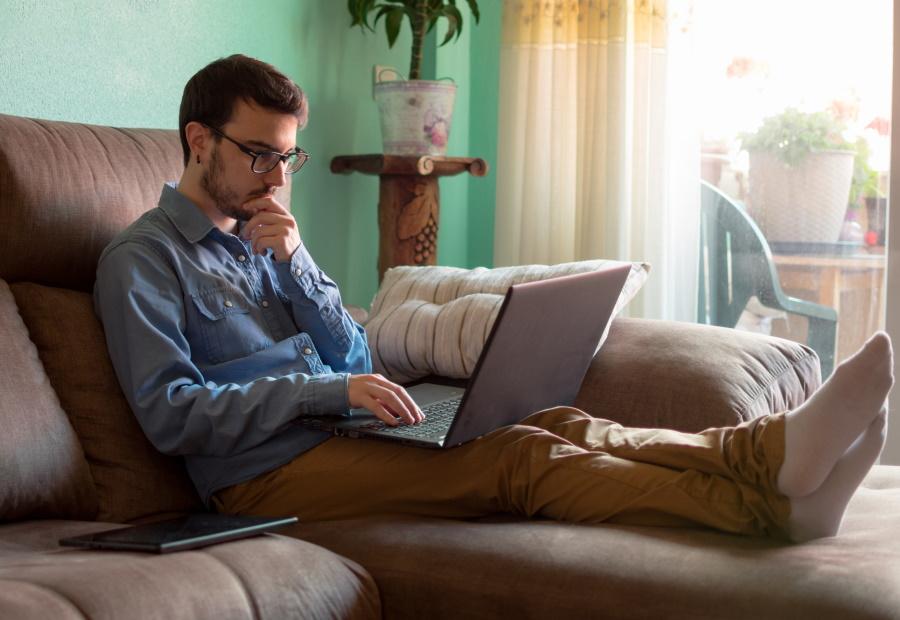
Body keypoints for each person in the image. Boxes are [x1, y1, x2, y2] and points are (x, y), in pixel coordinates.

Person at [95, 54, 894, 544]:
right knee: (521, 460)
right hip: (261, 474)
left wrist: (301, 266)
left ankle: (772, 460)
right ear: (200, 141)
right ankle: (774, 515)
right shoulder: (143, 261)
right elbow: (172, 415)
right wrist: (328, 391)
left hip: (341, 430)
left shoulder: (267, 234)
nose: (278, 177)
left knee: (553, 422)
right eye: (260, 156)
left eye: (289, 157)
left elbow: (356, 356)